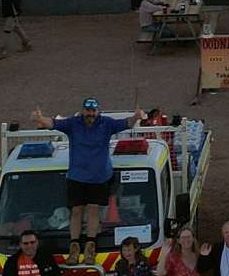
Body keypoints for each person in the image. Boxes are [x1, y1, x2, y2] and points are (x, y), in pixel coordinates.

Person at [32, 98, 145, 264]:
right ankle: (74, 248)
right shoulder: (73, 123)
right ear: (82, 110)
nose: (90, 114)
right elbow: (54, 123)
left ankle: (90, 248)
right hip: (77, 176)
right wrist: (40, 119)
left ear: (98, 111)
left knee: (93, 210)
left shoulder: (106, 123)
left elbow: (125, 123)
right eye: (87, 110)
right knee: (76, 211)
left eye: (93, 111)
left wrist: (136, 117)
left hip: (100, 177)